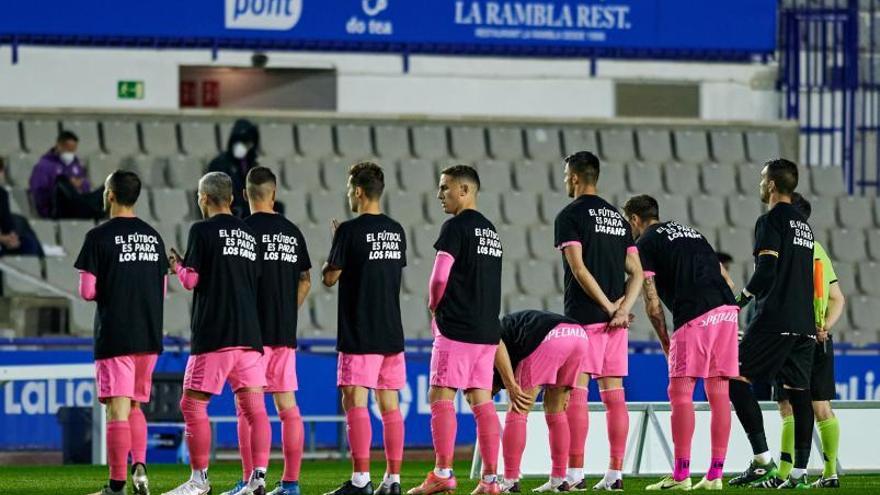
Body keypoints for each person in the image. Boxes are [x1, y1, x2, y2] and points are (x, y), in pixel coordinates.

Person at [163, 172, 270, 495]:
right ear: (233, 199)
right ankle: (258, 479)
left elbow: (191, 281)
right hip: (250, 334)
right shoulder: (250, 234)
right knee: (255, 408)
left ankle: (199, 481)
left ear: (205, 198)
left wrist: (178, 266)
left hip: (215, 333)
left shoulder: (202, 230)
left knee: (192, 404)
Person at [623, 195, 739, 491]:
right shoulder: (692, 232)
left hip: (694, 312)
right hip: (726, 310)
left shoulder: (644, 244)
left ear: (635, 219)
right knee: (719, 390)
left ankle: (681, 475)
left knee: (680, 391)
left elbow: (652, 303)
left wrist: (665, 343)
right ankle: (715, 476)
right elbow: (728, 280)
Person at [409, 165, 503, 495]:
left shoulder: (456, 227)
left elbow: (438, 277)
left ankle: (443, 472)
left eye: (445, 188)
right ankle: (491, 481)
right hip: (487, 331)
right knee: (482, 401)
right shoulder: (491, 232)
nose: (440, 195)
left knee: (440, 395)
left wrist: (434, 305)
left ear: (465, 190)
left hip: (458, 328)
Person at [553, 152, 643, 491]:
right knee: (614, 396)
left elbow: (578, 268)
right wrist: (622, 309)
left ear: (575, 177)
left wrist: (607, 306)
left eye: (566, 175)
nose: (565, 181)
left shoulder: (569, 215)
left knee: (577, 393)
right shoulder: (617, 219)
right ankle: (614, 474)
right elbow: (636, 272)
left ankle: (575, 474)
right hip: (615, 325)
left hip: (585, 319)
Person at [218, 167, 311, 495]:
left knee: (248, 408)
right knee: (288, 406)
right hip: (283, 332)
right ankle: (291, 484)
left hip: (249, 336)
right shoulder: (292, 232)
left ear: (244, 195)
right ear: (275, 193)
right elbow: (305, 279)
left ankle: (249, 481)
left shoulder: (241, 232)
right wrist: (287, 311)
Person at [75, 170, 168, 495]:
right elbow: (163, 286)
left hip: (116, 332)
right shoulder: (154, 236)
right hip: (149, 333)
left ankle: (116, 486)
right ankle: (140, 467)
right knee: (136, 406)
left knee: (117, 408)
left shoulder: (98, 237)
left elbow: (87, 291)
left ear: (110, 194)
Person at [727, 158, 817, 489]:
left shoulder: (770, 221)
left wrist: (741, 299)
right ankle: (798, 472)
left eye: (763, 178)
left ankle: (763, 459)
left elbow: (767, 271)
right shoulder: (804, 226)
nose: (761, 183)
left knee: (733, 375)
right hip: (804, 322)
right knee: (799, 393)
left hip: (775, 317)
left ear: (772, 186)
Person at [321, 161, 408, 495]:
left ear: (357, 191)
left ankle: (360, 481)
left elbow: (330, 278)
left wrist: (337, 245)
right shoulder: (396, 230)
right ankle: (393, 480)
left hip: (360, 330)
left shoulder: (349, 231)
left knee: (354, 400)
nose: (348, 195)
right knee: (389, 406)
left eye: (348, 189)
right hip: (390, 331)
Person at [764, 193, 845, 489]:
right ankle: (830, 472)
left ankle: (786, 473)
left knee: (787, 405)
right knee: (821, 405)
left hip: (791, 335)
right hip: (820, 336)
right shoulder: (819, 249)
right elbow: (838, 298)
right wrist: (824, 325)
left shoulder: (785, 247)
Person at [493, 310, 590, 494]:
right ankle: (559, 480)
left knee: (518, 410)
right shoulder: (508, 327)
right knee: (556, 411)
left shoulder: (489, 335)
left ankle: (510, 480)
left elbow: (498, 351)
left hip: (547, 338)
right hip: (579, 335)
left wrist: (510, 384)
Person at [29, 130, 102, 219]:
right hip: (57, 209)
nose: (70, 152)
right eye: (68, 148)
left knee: (109, 186)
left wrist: (80, 184)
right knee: (62, 181)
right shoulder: (44, 166)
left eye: (73, 149)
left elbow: (86, 187)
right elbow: (39, 192)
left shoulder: (76, 165)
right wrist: (68, 185)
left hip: (79, 205)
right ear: (58, 145)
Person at [208, 119, 260, 218]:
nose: (243, 146)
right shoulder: (219, 164)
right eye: (240, 141)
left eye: (247, 143)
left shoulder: (252, 165)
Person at [0, 158, 42, 256]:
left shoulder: (2, 194)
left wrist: (12, 238)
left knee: (28, 243)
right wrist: (3, 238)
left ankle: (41, 266)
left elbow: (7, 222)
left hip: (3, 241)